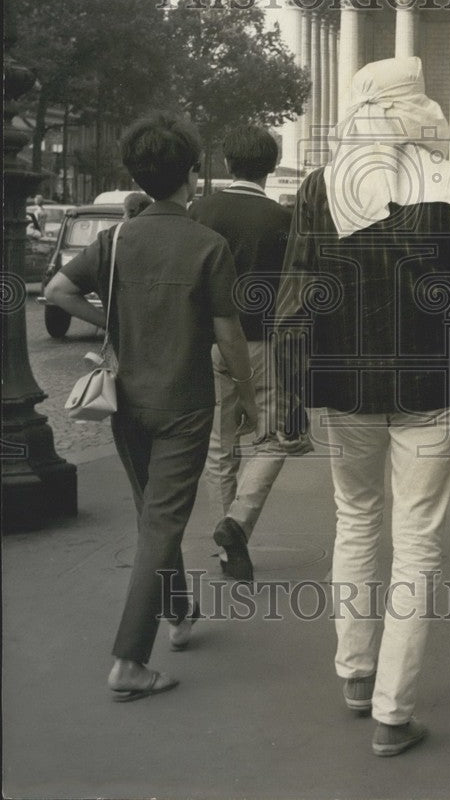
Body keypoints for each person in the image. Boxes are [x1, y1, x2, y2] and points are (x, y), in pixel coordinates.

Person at [275, 57, 450, 756]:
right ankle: (393, 712)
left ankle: (354, 672)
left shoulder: (322, 187)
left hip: (343, 386)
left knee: (355, 520)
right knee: (418, 542)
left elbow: (297, 289)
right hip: (431, 388)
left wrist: (288, 391)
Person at [45, 113, 258, 701]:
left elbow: (59, 291)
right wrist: (247, 396)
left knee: (152, 519)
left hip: (127, 402)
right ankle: (129, 661)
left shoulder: (114, 242)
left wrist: (107, 320)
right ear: (193, 173)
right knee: (161, 524)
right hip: (186, 404)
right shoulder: (208, 246)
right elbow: (230, 335)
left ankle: (180, 611)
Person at [189, 125, 293, 580]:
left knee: (220, 445)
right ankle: (237, 524)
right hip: (265, 342)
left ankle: (227, 542)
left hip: (209, 340)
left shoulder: (200, 212)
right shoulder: (282, 220)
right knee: (275, 439)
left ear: (227, 163)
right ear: (271, 167)